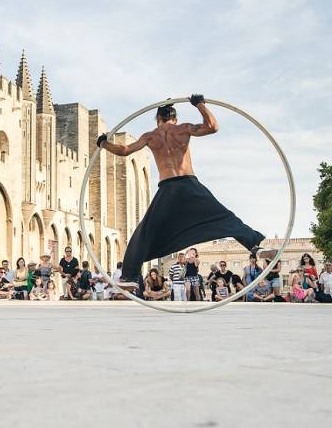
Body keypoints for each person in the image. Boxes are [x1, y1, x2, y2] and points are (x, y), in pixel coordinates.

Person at [96, 95, 275, 286]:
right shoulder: (183, 129)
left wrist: (103, 143)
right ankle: (255, 248)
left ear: (158, 119)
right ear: (175, 118)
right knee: (225, 217)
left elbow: (123, 150)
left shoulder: (150, 136)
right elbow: (213, 127)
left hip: (168, 189)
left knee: (145, 230)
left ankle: (129, 275)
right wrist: (200, 105)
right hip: (189, 185)